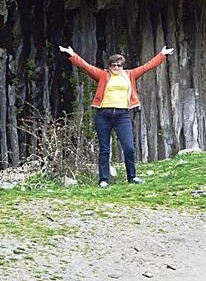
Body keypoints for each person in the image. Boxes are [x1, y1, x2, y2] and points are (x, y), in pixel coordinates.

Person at [58, 44, 174, 187]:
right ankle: (104, 180)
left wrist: (162, 55)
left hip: (122, 115)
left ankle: (132, 177)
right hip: (103, 115)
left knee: (129, 147)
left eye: (119, 65)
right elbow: (86, 66)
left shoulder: (130, 75)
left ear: (122, 66)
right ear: (109, 66)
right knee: (105, 149)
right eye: (113, 65)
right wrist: (72, 54)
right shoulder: (102, 75)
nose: (116, 68)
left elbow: (147, 66)